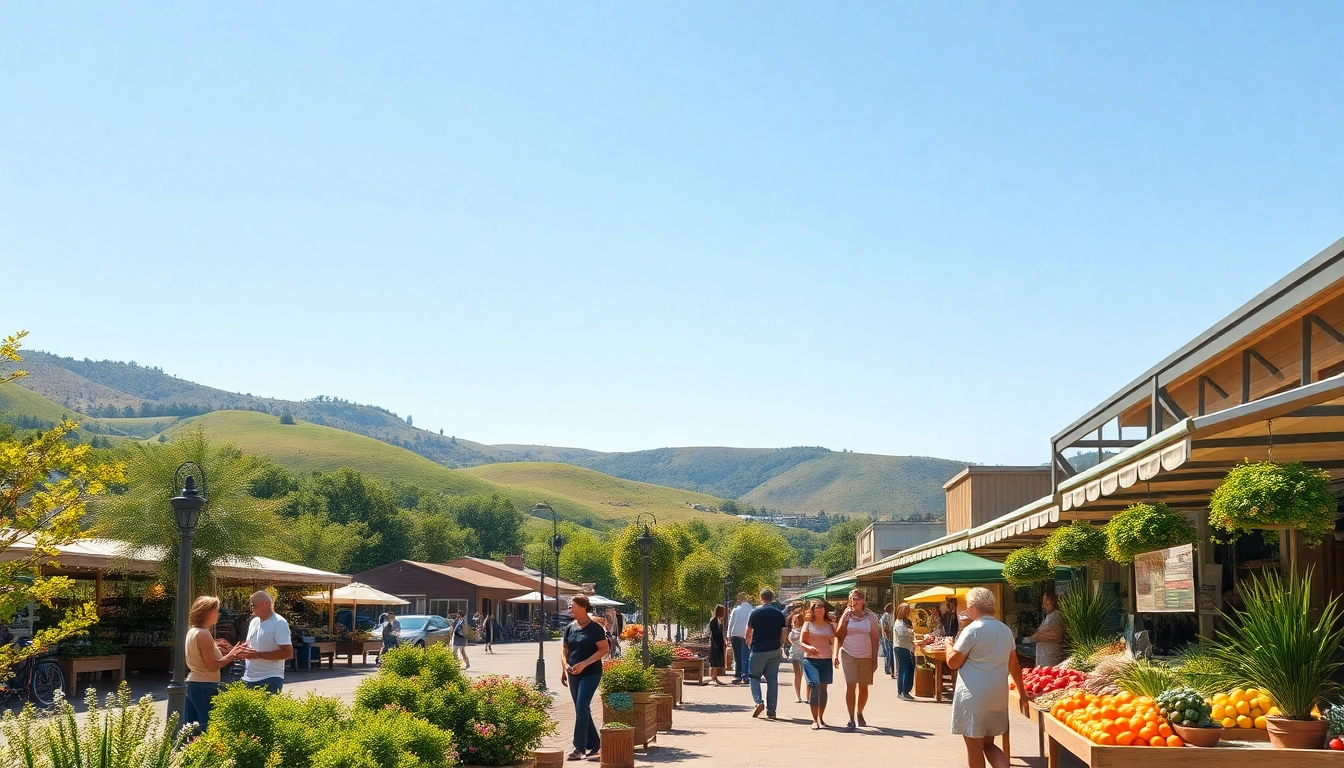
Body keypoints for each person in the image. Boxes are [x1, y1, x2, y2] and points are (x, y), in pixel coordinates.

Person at [947, 587, 1026, 768]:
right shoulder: (1005, 630)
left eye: (968, 606)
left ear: (973, 607)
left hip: (974, 697)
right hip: (997, 696)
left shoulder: (972, 630)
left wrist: (948, 645)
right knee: (988, 744)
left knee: (974, 746)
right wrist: (1023, 693)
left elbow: (952, 662)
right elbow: (1014, 665)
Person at [184, 596, 249, 733]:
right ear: (207, 612)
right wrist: (232, 655)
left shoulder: (193, 631)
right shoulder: (203, 634)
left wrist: (223, 650)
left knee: (190, 729)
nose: (218, 614)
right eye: (215, 610)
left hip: (194, 683)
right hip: (204, 685)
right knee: (208, 727)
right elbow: (213, 665)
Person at [561, 595, 609, 761]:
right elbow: (564, 649)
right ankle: (594, 743)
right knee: (581, 708)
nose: (570, 609)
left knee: (582, 706)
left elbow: (604, 649)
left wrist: (584, 664)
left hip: (591, 673)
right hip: (573, 673)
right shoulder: (570, 627)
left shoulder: (595, 628)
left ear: (582, 607)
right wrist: (565, 667)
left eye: (573, 606)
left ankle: (579, 748)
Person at [833, 589, 879, 730]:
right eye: (853, 599)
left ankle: (859, 712)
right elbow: (838, 636)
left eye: (857, 599)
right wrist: (835, 654)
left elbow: (875, 639)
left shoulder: (871, 617)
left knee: (863, 687)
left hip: (866, 655)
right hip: (848, 654)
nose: (855, 602)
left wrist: (875, 659)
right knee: (850, 685)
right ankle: (851, 718)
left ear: (863, 601)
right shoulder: (846, 615)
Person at [743, 587, 787, 719]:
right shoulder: (779, 614)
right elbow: (784, 632)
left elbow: (748, 632)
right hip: (774, 649)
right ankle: (772, 710)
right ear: (772, 598)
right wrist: (781, 645)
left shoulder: (755, 612)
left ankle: (758, 702)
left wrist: (749, 644)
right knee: (772, 679)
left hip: (758, 649)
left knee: (754, 677)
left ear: (760, 598)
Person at [239, 591, 293, 694]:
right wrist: (238, 651)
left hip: (269, 678)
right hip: (249, 678)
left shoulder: (279, 623)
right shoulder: (254, 621)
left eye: (253, 604)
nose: (251, 607)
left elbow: (287, 653)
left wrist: (259, 655)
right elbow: (250, 645)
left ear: (266, 603)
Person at [797, 599, 834, 730]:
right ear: (812, 611)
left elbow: (833, 641)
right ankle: (814, 720)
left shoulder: (829, 625)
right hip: (811, 660)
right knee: (814, 685)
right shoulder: (808, 624)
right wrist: (808, 647)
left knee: (823, 689)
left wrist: (835, 628)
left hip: (826, 659)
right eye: (816, 607)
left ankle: (821, 717)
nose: (819, 609)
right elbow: (801, 642)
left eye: (821, 607)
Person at [1028, 592, 1064, 667]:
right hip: (1042, 658)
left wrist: (1037, 636)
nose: (1043, 606)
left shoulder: (1056, 615)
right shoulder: (1048, 617)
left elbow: (1056, 634)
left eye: (1045, 602)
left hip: (1050, 659)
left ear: (1053, 601)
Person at [726, 593, 753, 684]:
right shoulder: (752, 610)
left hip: (735, 635)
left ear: (740, 599)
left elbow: (731, 623)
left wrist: (728, 636)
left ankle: (738, 675)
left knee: (737, 656)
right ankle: (746, 675)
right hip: (747, 636)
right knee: (746, 656)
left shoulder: (736, 610)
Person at [892, 603, 917, 700]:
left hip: (905, 647)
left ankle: (901, 691)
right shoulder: (899, 622)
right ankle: (904, 691)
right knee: (908, 668)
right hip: (901, 647)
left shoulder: (906, 621)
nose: (909, 611)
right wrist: (911, 633)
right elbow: (903, 634)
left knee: (902, 669)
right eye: (907, 609)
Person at [788, 611, 806, 703]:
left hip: (797, 654)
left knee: (798, 675)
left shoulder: (794, 632)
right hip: (802, 654)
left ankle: (799, 696)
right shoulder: (804, 630)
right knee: (803, 675)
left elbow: (792, 640)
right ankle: (804, 695)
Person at [708, 605, 727, 684]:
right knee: (715, 662)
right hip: (715, 645)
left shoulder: (719, 621)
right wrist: (718, 643)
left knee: (716, 662)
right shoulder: (714, 621)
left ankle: (714, 676)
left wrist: (723, 642)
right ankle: (714, 677)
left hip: (718, 644)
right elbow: (715, 634)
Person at [879, 602, 895, 679]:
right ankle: (888, 668)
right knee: (888, 653)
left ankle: (889, 668)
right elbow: (884, 627)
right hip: (887, 637)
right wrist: (887, 636)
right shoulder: (885, 616)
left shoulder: (890, 615)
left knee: (889, 653)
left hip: (888, 637)